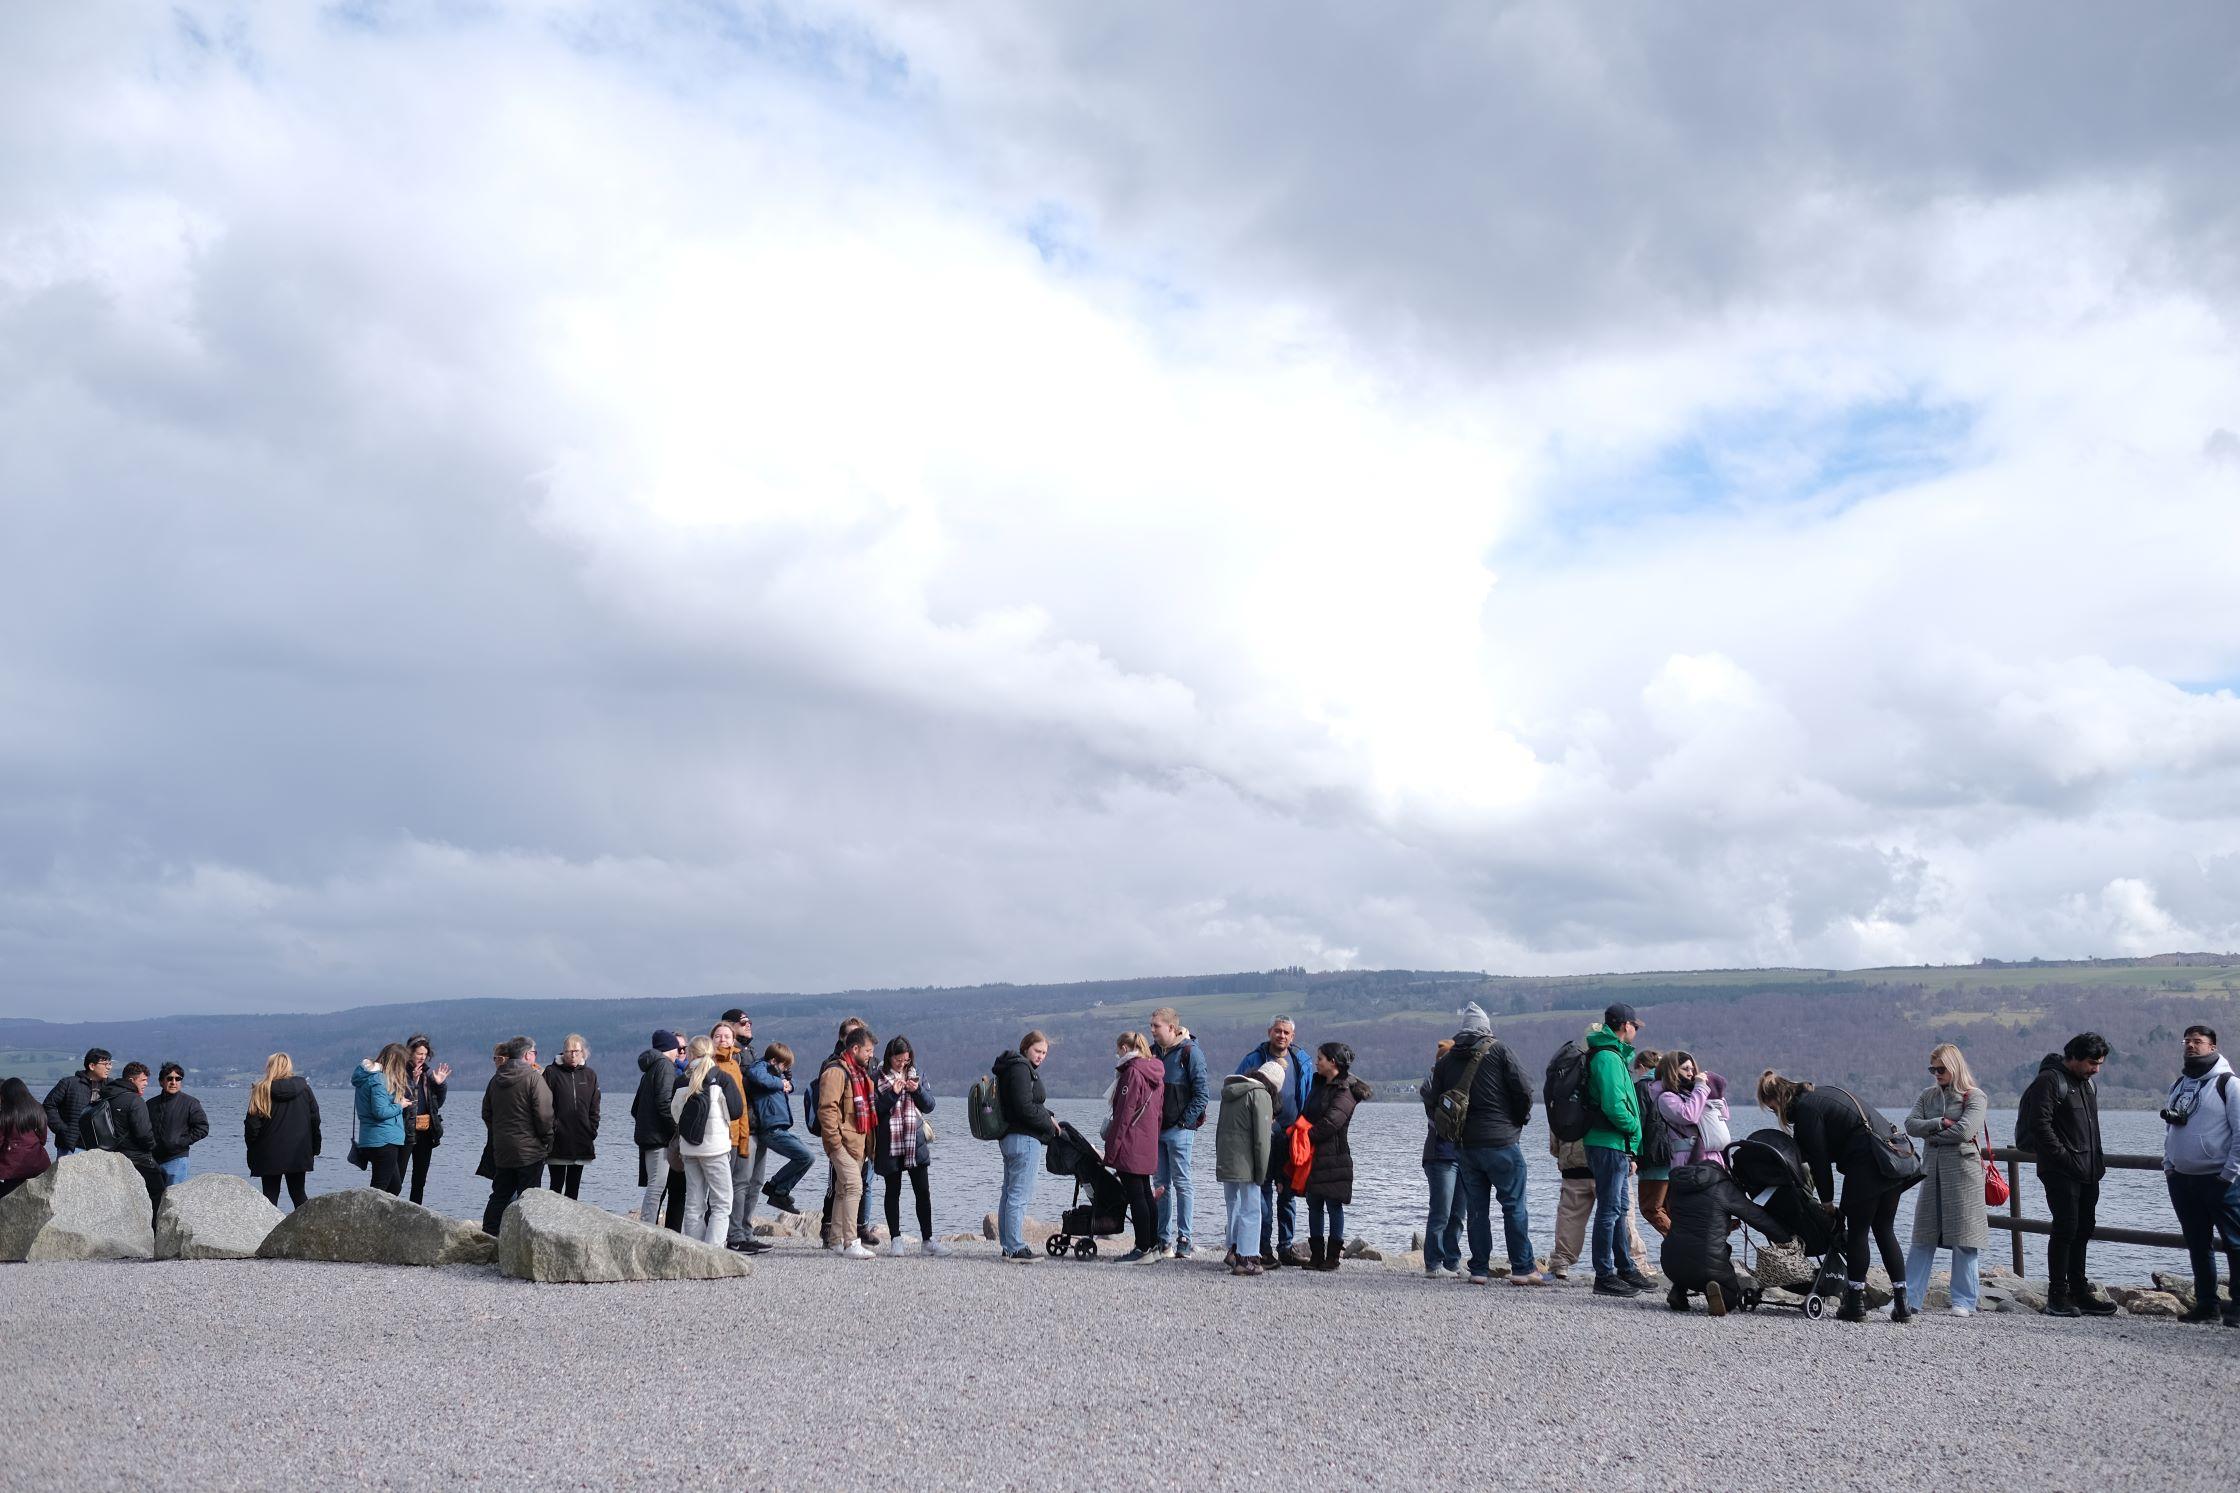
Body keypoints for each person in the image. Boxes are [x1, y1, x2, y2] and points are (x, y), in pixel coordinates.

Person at [1758, 1069, 1916, 1323]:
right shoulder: (1822, 1095)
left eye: (1773, 1107)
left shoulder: (1807, 1110)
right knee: (1885, 1229)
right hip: (1891, 1159)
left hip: (1867, 1164)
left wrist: (1827, 1202)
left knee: (1857, 1231)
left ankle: (1854, 1302)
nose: (1777, 1114)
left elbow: (1820, 1162)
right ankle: (1903, 1303)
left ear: (1778, 1098)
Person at [1426, 1003, 1544, 1286]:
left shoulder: (1445, 1061)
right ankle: (1522, 1268)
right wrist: (1517, 1120)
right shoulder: (1498, 1050)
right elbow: (1524, 1088)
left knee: (1477, 1210)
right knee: (1514, 1205)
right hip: (1502, 1141)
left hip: (1466, 1146)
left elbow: (1433, 1101)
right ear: (1486, 1028)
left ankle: (1479, 1269)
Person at [2018, 1032, 2118, 1318]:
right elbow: (2040, 1126)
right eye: (2091, 1062)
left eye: (2099, 1063)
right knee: (2065, 1229)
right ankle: (2057, 1295)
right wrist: (2064, 1159)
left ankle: (2079, 1290)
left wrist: (2094, 1165)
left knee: (2084, 1229)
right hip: (2060, 1171)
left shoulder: (2087, 1085)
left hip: (2089, 1171)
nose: (2096, 1069)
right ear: (2072, 1057)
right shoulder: (2050, 1081)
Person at [2159, 1024, 2239, 1326]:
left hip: (2220, 1178)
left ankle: (2239, 1305)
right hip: (2182, 1178)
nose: (2191, 1046)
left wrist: (2229, 1175)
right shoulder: (2179, 1084)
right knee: (2197, 1243)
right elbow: (2170, 1130)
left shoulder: (2229, 1084)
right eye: (2187, 1041)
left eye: (2198, 1041)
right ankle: (2207, 1304)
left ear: (2213, 1047)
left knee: (2235, 1242)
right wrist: (2170, 1167)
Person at [1902, 1043, 1989, 1318]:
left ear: (1955, 1066)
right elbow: (1910, 1125)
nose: (1936, 1073)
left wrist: (1930, 1135)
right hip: (1932, 1173)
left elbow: (1965, 1132)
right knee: (1922, 1236)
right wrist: (1940, 1123)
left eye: (1941, 1069)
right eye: (1933, 1069)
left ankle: (1964, 1300)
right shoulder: (1927, 1096)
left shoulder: (1975, 1097)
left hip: (1964, 1175)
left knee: (1965, 1238)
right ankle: (1909, 1298)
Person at [1661, 1156, 1793, 1315]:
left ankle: (1678, 1291)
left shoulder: (1678, 1187)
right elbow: (1758, 1218)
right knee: (1732, 1298)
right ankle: (1719, 1295)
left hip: (1670, 1261)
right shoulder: (1724, 1187)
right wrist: (1786, 1238)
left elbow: (1692, 1220)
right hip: (1707, 1265)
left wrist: (1725, 1224)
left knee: (1688, 1254)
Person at [1584, 1005, 1653, 1298]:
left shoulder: (1613, 1056)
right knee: (1610, 1210)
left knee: (1620, 1208)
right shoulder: (1608, 1059)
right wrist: (1634, 1128)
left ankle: (1625, 1267)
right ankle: (1604, 1274)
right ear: (1625, 1025)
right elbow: (1614, 1105)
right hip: (1608, 1142)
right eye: (1635, 1026)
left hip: (1615, 1144)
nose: (1636, 1031)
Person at [1234, 1017, 1311, 1267]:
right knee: (1263, 1189)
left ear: (1292, 1036)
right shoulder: (1252, 1060)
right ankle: (1263, 1248)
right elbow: (1238, 1090)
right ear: (1269, 1032)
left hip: (1290, 1135)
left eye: (1286, 1032)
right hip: (1261, 1134)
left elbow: (1307, 1097)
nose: (1281, 1036)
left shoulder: (1302, 1062)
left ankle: (1286, 1247)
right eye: (1277, 1031)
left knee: (1288, 1193)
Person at [873, 1036, 950, 1257]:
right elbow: (875, 1110)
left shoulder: (917, 1074)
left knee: (923, 1192)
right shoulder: (877, 1077)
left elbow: (930, 1105)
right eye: (898, 1060)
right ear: (889, 1057)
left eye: (905, 1060)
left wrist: (916, 1090)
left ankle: (928, 1240)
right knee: (892, 1191)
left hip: (915, 1140)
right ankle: (896, 1238)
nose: (902, 1065)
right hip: (890, 1141)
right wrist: (893, 1094)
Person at [1301, 1042, 1371, 1272]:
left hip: (1335, 1156)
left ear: (1332, 1061)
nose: (1316, 1061)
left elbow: (1332, 1122)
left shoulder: (1346, 1090)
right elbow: (1307, 1113)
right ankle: (1316, 1256)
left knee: (1333, 1205)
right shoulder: (1319, 1084)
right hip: (1313, 1155)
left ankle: (1332, 1257)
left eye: (1320, 1058)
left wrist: (1305, 1136)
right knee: (1314, 1205)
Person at [1149, 1006, 1211, 1260]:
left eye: (1156, 1026)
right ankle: (1163, 1239)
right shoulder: (1152, 1053)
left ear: (1171, 1028)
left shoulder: (1190, 1053)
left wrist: (1184, 1123)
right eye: (1151, 1026)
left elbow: (1202, 1094)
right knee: (1160, 1184)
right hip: (1155, 1129)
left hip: (1179, 1130)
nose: (1151, 1030)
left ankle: (1184, 1237)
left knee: (1183, 1183)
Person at [993, 1031, 1059, 1262]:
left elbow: (1024, 1104)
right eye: (1037, 1051)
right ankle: (1015, 1246)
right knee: (1018, 1195)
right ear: (1025, 1048)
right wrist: (1050, 1128)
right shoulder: (1021, 1068)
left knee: (1009, 1193)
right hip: (1024, 1139)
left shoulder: (1011, 1067)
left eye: (1044, 1053)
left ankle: (1007, 1245)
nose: (1041, 1056)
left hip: (1010, 1138)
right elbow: (1023, 1107)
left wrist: (1047, 1115)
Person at [672, 1036, 743, 1247]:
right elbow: (736, 1111)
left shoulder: (682, 1081)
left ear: (691, 1054)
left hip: (690, 1149)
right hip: (716, 1149)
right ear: (712, 1054)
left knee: (694, 1202)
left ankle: (696, 1249)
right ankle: (714, 1250)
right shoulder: (722, 1078)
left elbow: (675, 1114)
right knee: (721, 1202)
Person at [816, 1025, 879, 1259]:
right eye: (868, 1050)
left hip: (858, 1143)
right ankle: (851, 1241)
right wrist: (833, 1142)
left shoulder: (861, 1075)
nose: (871, 1055)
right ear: (855, 1048)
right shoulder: (836, 1072)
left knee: (843, 1191)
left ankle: (835, 1242)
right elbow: (827, 1109)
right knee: (854, 1186)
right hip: (841, 1143)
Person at [481, 1036, 554, 1236]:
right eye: (534, 1053)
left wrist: (499, 1133)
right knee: (529, 1198)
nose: (535, 1056)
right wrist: (547, 1138)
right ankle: (524, 1238)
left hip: (503, 1149)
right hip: (530, 1150)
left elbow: (486, 1113)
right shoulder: (533, 1078)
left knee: (500, 1194)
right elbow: (544, 1114)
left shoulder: (496, 1079)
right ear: (526, 1054)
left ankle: (488, 1234)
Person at [1104, 1032, 1166, 1265]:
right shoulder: (1156, 1073)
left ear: (1123, 1048)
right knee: (1146, 1194)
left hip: (1130, 1141)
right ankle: (1154, 1245)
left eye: (1118, 1050)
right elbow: (1159, 1113)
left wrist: (1111, 1149)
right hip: (1148, 1141)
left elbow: (1123, 1116)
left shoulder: (1132, 1072)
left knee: (1136, 1196)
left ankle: (1141, 1248)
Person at [1215, 1060, 1281, 1276]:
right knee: (1252, 1209)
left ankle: (1233, 1250)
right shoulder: (1260, 1095)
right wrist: (1262, 1172)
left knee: (1233, 1206)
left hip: (1227, 1158)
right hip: (1247, 1162)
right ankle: (1247, 1256)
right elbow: (1262, 1139)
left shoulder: (1231, 1093)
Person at [744, 1042, 814, 1217]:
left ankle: (777, 1189)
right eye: (784, 1066)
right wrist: (780, 1082)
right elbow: (757, 1076)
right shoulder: (760, 1067)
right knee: (806, 1156)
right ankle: (777, 1189)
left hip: (778, 1127)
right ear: (774, 1060)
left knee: (807, 1157)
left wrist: (789, 1084)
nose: (784, 1070)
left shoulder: (773, 1074)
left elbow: (785, 1084)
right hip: (769, 1129)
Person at [244, 1052, 320, 1209]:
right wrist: (315, 1148)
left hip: (269, 1152)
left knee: (270, 1196)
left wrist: (252, 1150)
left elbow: (252, 1127)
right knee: (298, 1193)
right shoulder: (304, 1089)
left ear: (269, 1067)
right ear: (289, 1067)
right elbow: (315, 1121)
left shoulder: (261, 1090)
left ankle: (268, 1231)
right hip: (298, 1151)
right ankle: (308, 1230)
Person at [631, 1029, 685, 1228]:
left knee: (656, 1185)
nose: (680, 1052)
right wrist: (677, 1131)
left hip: (647, 1137)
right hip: (660, 1139)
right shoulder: (665, 1067)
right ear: (670, 1048)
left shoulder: (650, 1069)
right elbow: (665, 1103)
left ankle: (648, 1227)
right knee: (657, 1186)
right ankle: (647, 1229)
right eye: (678, 1048)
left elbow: (635, 1108)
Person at [1421, 1039, 1464, 1279]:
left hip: (1462, 1154)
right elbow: (1430, 1096)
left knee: (1458, 1213)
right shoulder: (1432, 1086)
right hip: (1439, 1155)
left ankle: (1452, 1260)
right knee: (1441, 1211)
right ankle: (1433, 1261)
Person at [542, 1034, 600, 1200]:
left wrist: (591, 1129)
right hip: (558, 1141)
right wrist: (552, 1129)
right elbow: (544, 1105)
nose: (572, 1055)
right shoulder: (551, 1073)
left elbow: (594, 1107)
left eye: (576, 1051)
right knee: (556, 1186)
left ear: (583, 1053)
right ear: (563, 1052)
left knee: (573, 1187)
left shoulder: (590, 1075)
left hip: (581, 1140)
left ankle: (570, 1224)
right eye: (568, 1051)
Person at [104, 1061, 167, 1210]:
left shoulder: (107, 1095)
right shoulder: (135, 1100)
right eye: (143, 1080)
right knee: (158, 1194)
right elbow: (144, 1133)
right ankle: (155, 1231)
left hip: (111, 1155)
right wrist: (152, 1147)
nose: (146, 1084)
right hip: (138, 1158)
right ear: (131, 1081)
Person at [352, 1044, 410, 1196]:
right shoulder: (379, 1080)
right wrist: (400, 1105)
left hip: (374, 1138)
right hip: (383, 1140)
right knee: (379, 1188)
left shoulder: (368, 1077)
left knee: (394, 1187)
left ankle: (382, 1218)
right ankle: (366, 1218)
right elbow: (380, 1111)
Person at [400, 1036, 450, 1206]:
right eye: (418, 1053)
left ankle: (415, 1212)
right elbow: (401, 1101)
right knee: (397, 1176)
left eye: (425, 1054)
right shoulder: (401, 1072)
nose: (422, 1057)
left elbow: (438, 1104)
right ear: (409, 1052)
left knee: (420, 1178)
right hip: (405, 1130)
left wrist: (440, 1084)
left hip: (425, 1131)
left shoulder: (428, 1075)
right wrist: (412, 1082)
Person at [146, 1063, 210, 1187]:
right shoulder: (150, 1104)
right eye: (169, 1078)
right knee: (153, 1200)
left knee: (173, 1200)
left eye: (178, 1079)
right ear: (161, 1082)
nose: (173, 1082)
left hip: (177, 1160)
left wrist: (181, 1141)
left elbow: (203, 1128)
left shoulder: (191, 1103)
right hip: (153, 1160)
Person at [41, 1048, 112, 1156]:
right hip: (70, 1146)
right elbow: (48, 1105)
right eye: (105, 1064)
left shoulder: (111, 1087)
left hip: (101, 1148)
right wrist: (61, 1128)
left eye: (110, 1063)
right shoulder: (69, 1083)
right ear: (92, 1066)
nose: (109, 1067)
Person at [1545, 1129, 1595, 1281]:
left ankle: (1561, 1262)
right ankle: (1634, 1262)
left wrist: (1561, 1151)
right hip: (1607, 1158)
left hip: (1572, 1161)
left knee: (1569, 1216)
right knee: (1620, 1215)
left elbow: (1556, 1129)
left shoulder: (1562, 1103)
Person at [1632, 1048, 1672, 1235]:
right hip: (1673, 1155)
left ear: (1640, 1066)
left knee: (1651, 1209)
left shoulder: (1642, 1087)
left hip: (1653, 1156)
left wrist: (1633, 1154)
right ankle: (1684, 1255)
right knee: (1668, 1210)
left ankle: (1684, 1246)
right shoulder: (1669, 1086)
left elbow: (1638, 1122)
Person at [0, 1076, 51, 1200]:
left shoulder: (6, 1114)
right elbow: (43, 1139)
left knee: (7, 1201)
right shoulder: (38, 1109)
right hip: (38, 1164)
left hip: (12, 1168)